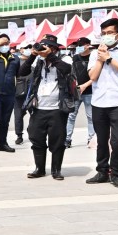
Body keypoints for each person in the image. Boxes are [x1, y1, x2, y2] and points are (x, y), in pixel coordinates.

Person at [86, 18, 118, 189]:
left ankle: (115, 173)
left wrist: (109, 59)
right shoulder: (95, 53)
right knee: (102, 140)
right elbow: (92, 76)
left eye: (109, 33)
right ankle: (102, 171)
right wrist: (101, 59)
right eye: (104, 33)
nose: (106, 36)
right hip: (99, 101)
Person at [18, 35, 74, 180]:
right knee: (36, 138)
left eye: (47, 46)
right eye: (42, 46)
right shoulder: (38, 61)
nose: (43, 49)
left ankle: (56, 170)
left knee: (57, 141)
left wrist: (50, 56)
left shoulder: (64, 58)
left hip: (58, 108)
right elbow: (22, 72)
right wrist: (33, 56)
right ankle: (39, 169)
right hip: (38, 108)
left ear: (54, 48)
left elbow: (67, 69)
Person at [65, 37, 95, 148]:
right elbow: (71, 73)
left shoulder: (93, 57)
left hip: (90, 91)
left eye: (82, 45)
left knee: (91, 116)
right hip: (76, 91)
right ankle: (67, 139)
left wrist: (85, 85)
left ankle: (91, 139)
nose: (80, 47)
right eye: (78, 45)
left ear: (88, 45)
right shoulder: (75, 58)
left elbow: (95, 75)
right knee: (71, 116)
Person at [13, 45, 32, 145]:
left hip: (32, 93)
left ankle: (31, 131)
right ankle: (19, 135)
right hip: (19, 93)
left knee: (35, 115)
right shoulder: (16, 62)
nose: (28, 50)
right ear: (21, 50)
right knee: (18, 115)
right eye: (26, 48)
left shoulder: (36, 61)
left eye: (30, 48)